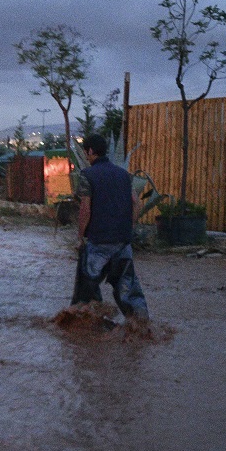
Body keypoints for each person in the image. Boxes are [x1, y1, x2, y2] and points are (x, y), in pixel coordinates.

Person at [72, 134, 149, 320]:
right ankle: (140, 324)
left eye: (85, 152)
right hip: (123, 241)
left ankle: (87, 327)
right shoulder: (123, 175)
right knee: (128, 287)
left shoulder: (87, 175)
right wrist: (127, 228)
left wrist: (80, 236)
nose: (86, 156)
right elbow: (136, 204)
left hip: (98, 241)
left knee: (87, 287)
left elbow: (85, 210)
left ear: (90, 152)